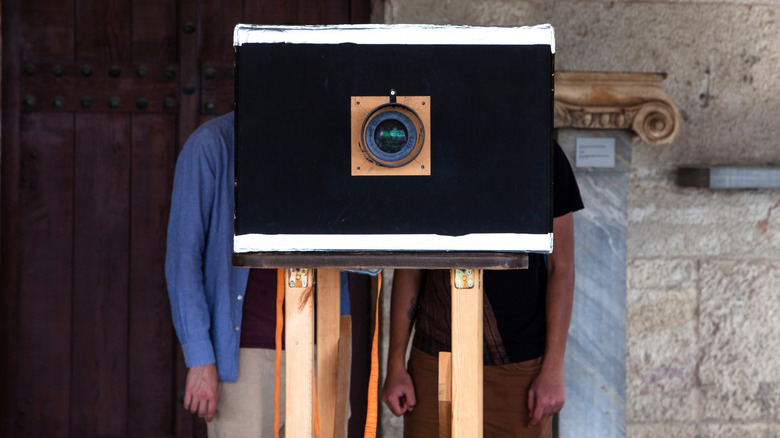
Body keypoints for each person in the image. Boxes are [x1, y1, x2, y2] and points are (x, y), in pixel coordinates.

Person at [381, 142, 584, 437]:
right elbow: (411, 266)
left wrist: (553, 370)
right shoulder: (428, 142)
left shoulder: (538, 147)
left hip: (519, 365)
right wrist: (396, 366)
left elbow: (561, 268)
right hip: (434, 358)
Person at [165, 112, 286, 436]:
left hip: (322, 349)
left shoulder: (327, 140)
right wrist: (200, 356)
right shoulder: (211, 144)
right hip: (245, 358)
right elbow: (183, 260)